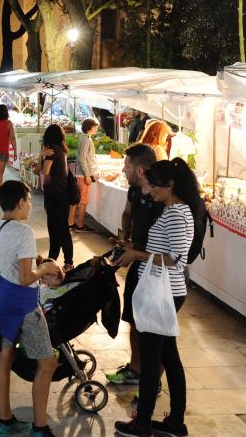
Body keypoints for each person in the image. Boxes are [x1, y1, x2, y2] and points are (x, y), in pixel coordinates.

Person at [114, 158, 198, 437]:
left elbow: (176, 259)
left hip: (164, 292)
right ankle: (175, 423)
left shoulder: (176, 213)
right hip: (165, 291)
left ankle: (143, 424)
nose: (149, 192)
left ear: (170, 185)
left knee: (151, 362)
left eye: (154, 187)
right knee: (169, 358)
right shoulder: (174, 209)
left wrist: (138, 255)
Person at [0, 181, 62, 437]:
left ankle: (6, 421)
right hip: (23, 306)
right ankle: (40, 427)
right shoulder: (24, 233)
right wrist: (43, 269)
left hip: (1, 301)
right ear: (21, 202)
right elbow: (26, 278)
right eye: (30, 201)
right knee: (47, 363)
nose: (31, 206)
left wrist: (10, 265)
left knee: (5, 357)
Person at [105, 145, 164, 388]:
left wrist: (137, 252)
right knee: (133, 317)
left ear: (140, 170)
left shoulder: (163, 199)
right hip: (137, 261)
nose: (123, 168)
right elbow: (128, 214)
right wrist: (125, 237)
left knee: (154, 328)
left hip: (155, 268)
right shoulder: (133, 191)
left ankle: (153, 380)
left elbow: (170, 254)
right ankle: (136, 368)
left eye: (127, 165)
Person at [41, 124, 73, 270]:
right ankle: (52, 260)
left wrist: (40, 157)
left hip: (55, 194)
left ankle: (68, 262)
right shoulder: (60, 148)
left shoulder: (51, 150)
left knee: (57, 229)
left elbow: (45, 172)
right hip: (61, 193)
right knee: (58, 228)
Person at [70, 118, 99, 232]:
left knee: (77, 200)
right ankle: (80, 224)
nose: (96, 128)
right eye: (95, 126)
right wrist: (87, 175)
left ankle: (71, 222)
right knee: (82, 201)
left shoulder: (84, 138)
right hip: (82, 175)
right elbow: (82, 158)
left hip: (81, 174)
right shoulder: (86, 139)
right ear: (90, 127)